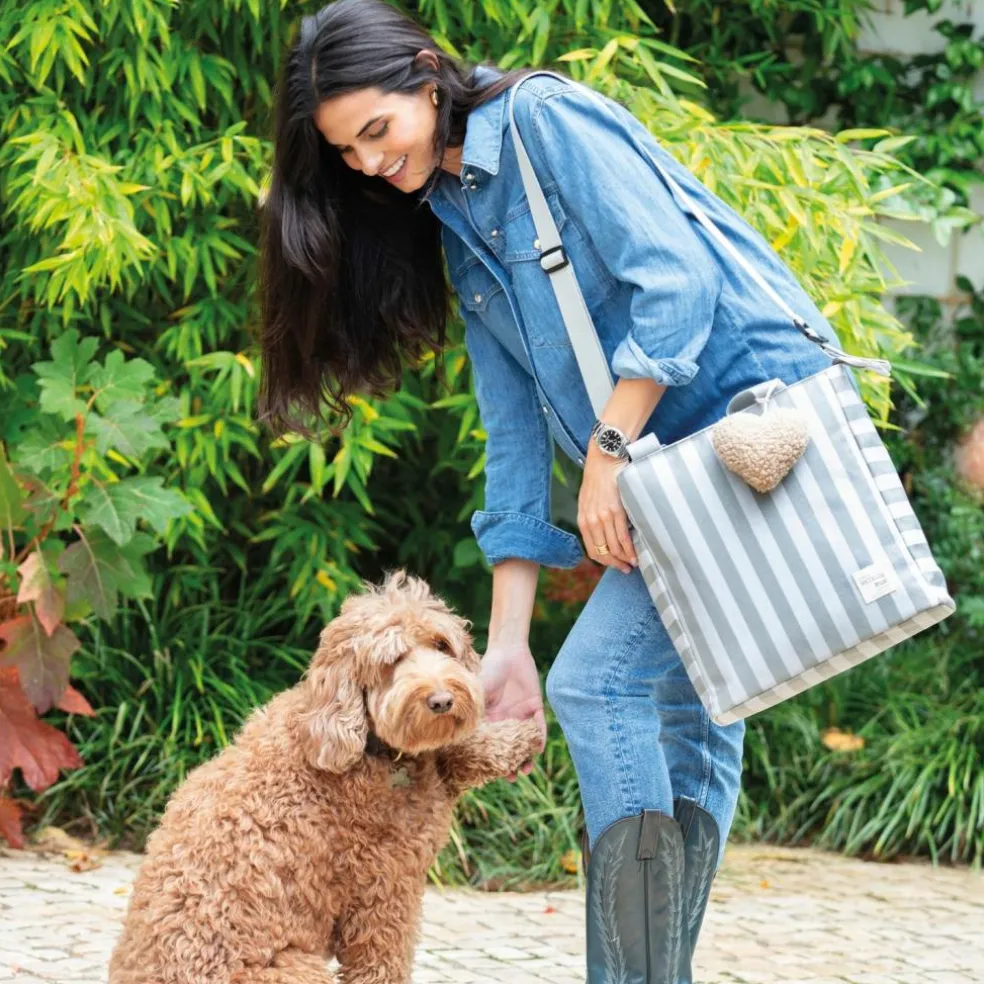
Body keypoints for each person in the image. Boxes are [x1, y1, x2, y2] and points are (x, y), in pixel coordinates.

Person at [258, 0, 837, 979]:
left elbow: (678, 282)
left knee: (602, 683)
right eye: (343, 153)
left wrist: (607, 455)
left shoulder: (545, 124)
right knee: (693, 714)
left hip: (754, 431)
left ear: (426, 76)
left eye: (375, 132)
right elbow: (514, 433)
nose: (365, 165)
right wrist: (508, 645)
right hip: (679, 470)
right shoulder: (455, 217)